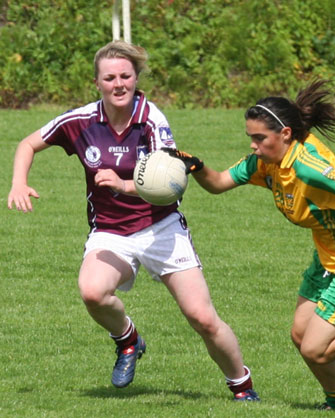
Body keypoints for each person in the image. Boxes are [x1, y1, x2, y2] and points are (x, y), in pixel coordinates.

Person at [7, 40, 260, 401]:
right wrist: (19, 181)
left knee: (201, 317)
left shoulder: (151, 120)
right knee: (92, 292)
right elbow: (27, 144)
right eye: (110, 78)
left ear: (136, 78)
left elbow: (171, 184)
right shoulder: (80, 121)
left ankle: (242, 387)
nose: (119, 84)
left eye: (126, 76)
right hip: (110, 231)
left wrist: (123, 184)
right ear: (97, 83)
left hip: (161, 228)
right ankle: (128, 340)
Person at [163, 80, 335, 410]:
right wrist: (197, 166)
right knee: (300, 335)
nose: (253, 146)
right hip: (327, 256)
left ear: (286, 134)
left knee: (315, 349)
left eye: (260, 138)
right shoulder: (267, 162)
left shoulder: (307, 168)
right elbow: (219, 183)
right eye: (250, 138)